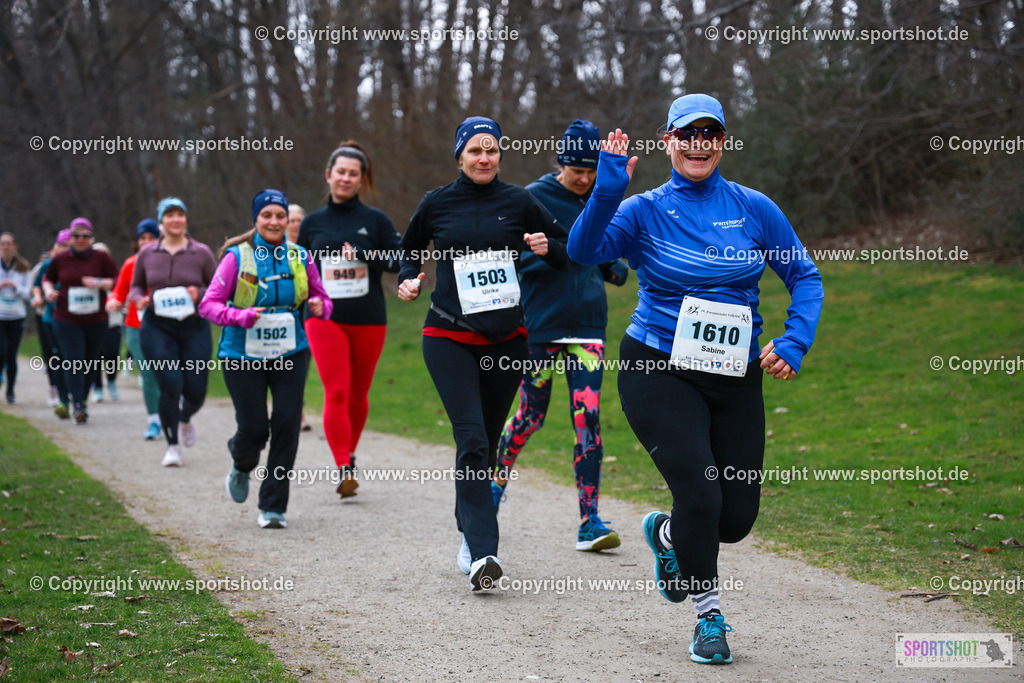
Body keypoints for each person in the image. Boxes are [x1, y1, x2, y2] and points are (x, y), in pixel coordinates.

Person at [567, 94, 824, 664]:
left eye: (710, 133)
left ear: (722, 142)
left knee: (734, 521)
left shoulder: (755, 208)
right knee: (701, 493)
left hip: (732, 376)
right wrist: (607, 185)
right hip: (656, 368)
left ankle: (667, 536)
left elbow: (804, 276)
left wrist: (794, 338)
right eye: (687, 133)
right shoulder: (641, 209)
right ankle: (709, 617)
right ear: (669, 142)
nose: (698, 143)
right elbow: (583, 249)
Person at [397, 116, 569, 591]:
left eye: (491, 149)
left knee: (485, 446)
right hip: (448, 337)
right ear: (460, 156)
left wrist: (546, 245)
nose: (484, 157)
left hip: (507, 341)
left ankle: (467, 527)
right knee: (471, 440)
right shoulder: (437, 203)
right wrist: (408, 278)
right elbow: (408, 248)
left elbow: (566, 250)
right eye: (475, 150)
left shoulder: (519, 201)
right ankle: (482, 553)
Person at [493, 120, 629, 552]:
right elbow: (512, 258)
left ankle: (589, 521)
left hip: (588, 328)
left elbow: (612, 265)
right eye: (577, 171)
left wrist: (609, 264)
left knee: (587, 420)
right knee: (529, 417)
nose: (585, 180)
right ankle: (490, 494)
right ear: (561, 163)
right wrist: (558, 253)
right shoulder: (532, 198)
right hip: (540, 328)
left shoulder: (600, 200)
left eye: (592, 171)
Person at [199, 190, 333, 528]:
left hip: (290, 350)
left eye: (280, 216)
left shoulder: (300, 256)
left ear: (288, 220)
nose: (274, 222)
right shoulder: (236, 258)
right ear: (256, 219)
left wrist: (321, 308)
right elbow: (208, 305)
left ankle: (273, 506)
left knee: (287, 424)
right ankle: (241, 462)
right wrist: (239, 316)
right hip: (242, 353)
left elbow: (321, 298)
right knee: (255, 429)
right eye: (267, 215)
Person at [297, 142, 403, 497]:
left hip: (368, 318)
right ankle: (343, 465)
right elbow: (300, 271)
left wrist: (363, 254)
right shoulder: (312, 224)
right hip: (324, 317)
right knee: (337, 390)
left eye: (353, 174)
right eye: (339, 172)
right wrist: (307, 296)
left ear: (361, 180)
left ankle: (350, 455)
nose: (345, 178)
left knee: (358, 393)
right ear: (328, 176)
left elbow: (401, 260)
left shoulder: (375, 221)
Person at [130, 198, 217, 467]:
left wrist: (198, 293)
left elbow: (217, 287)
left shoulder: (201, 252)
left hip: (193, 326)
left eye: (180, 214)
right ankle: (172, 447)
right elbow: (136, 286)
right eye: (170, 215)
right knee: (170, 384)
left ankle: (184, 418)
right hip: (157, 326)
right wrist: (138, 299)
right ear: (161, 222)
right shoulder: (147, 254)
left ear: (186, 219)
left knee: (195, 390)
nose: (176, 219)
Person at [42, 218, 118, 424]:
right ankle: (78, 405)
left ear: (91, 238)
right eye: (76, 235)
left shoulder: (101, 257)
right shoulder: (61, 259)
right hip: (66, 318)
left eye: (85, 236)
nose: (81, 239)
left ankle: (80, 400)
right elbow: (47, 278)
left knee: (90, 362)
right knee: (74, 360)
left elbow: (118, 280)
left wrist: (100, 283)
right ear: (71, 237)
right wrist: (49, 291)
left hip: (96, 319)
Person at [106, 219, 162, 439]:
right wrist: (113, 301)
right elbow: (118, 291)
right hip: (135, 327)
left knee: (166, 372)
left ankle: (172, 412)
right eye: (142, 238)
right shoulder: (131, 263)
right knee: (148, 373)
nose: (146, 242)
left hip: (164, 326)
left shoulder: (169, 262)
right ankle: (154, 421)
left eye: (151, 238)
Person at [31, 231, 72, 414]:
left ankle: (74, 392)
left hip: (76, 320)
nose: (65, 250)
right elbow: (37, 284)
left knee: (74, 358)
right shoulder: (48, 265)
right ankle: (59, 393)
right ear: (55, 247)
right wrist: (39, 296)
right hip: (51, 318)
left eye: (69, 246)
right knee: (56, 356)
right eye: (62, 246)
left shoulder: (81, 265)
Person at [286, 204, 312, 433]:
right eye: (291, 220)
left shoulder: (312, 248)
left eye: (299, 220)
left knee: (302, 363)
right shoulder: (277, 250)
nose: (295, 224)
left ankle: (297, 408)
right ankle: (289, 408)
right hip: (284, 315)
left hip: (309, 314)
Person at [0, 232, 34, 404]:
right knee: (1, 351)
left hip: (16, 316)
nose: (6, 247)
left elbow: (28, 294)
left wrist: (15, 287)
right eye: (3, 243)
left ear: (15, 246)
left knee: (11, 355)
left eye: (9, 243)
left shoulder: (23, 267)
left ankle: (10, 390)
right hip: (0, 315)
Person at [89, 242, 123, 403]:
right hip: (94, 323)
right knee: (95, 356)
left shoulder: (115, 276)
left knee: (112, 355)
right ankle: (97, 387)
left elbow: (123, 294)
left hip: (113, 321)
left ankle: (111, 381)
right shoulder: (87, 277)